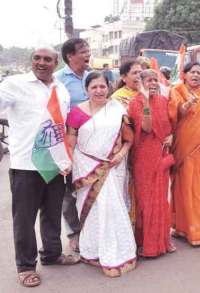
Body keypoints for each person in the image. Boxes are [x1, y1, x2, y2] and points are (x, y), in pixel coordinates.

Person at [0, 47, 79, 288]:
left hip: (54, 165)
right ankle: (25, 266)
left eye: (47, 59)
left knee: (52, 214)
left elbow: (62, 127)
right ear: (31, 61)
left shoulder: (61, 90)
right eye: (37, 58)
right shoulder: (14, 84)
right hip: (25, 165)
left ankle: (52, 254)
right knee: (24, 219)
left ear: (56, 63)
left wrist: (65, 160)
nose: (41, 63)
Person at [66, 71, 136, 277]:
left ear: (109, 87)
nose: (98, 90)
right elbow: (70, 142)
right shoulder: (76, 112)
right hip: (85, 167)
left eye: (102, 86)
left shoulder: (117, 110)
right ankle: (93, 250)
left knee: (112, 207)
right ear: (86, 89)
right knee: (92, 209)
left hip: (113, 167)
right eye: (94, 87)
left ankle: (116, 251)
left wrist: (121, 155)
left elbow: (128, 139)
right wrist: (69, 164)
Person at [128, 69, 176, 256]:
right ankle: (146, 244)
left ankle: (163, 240)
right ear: (141, 83)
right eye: (149, 81)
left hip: (161, 154)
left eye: (155, 80)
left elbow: (170, 126)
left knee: (161, 200)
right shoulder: (135, 103)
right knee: (147, 201)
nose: (153, 84)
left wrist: (171, 136)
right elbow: (147, 127)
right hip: (144, 159)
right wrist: (146, 100)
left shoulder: (164, 102)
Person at [169, 62, 200, 245]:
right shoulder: (177, 90)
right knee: (184, 186)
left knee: (199, 186)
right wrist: (187, 104)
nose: (196, 75)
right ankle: (186, 229)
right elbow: (176, 114)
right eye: (192, 72)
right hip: (184, 146)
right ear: (184, 74)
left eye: (199, 72)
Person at [56, 38, 91, 252]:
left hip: (93, 145)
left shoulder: (92, 77)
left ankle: (90, 229)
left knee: (90, 186)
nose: (88, 54)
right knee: (68, 191)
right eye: (84, 51)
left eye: (89, 50)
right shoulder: (58, 79)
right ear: (70, 56)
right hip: (68, 143)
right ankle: (74, 233)